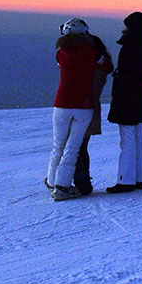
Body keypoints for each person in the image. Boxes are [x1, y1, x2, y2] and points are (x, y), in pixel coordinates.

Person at [46, 18, 100, 201]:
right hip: (84, 104)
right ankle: (62, 186)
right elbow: (106, 66)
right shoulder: (92, 52)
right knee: (73, 147)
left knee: (57, 145)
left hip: (62, 103)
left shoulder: (61, 53)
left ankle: (53, 181)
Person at [107, 12, 142, 193]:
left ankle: (125, 180)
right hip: (141, 97)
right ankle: (138, 178)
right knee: (138, 136)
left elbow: (126, 75)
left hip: (127, 98)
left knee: (127, 138)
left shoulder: (130, 46)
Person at [72, 34, 114, 194]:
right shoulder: (102, 64)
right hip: (91, 107)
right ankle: (82, 180)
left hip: (84, 106)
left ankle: (82, 182)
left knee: (78, 146)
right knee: (81, 145)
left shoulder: (95, 66)